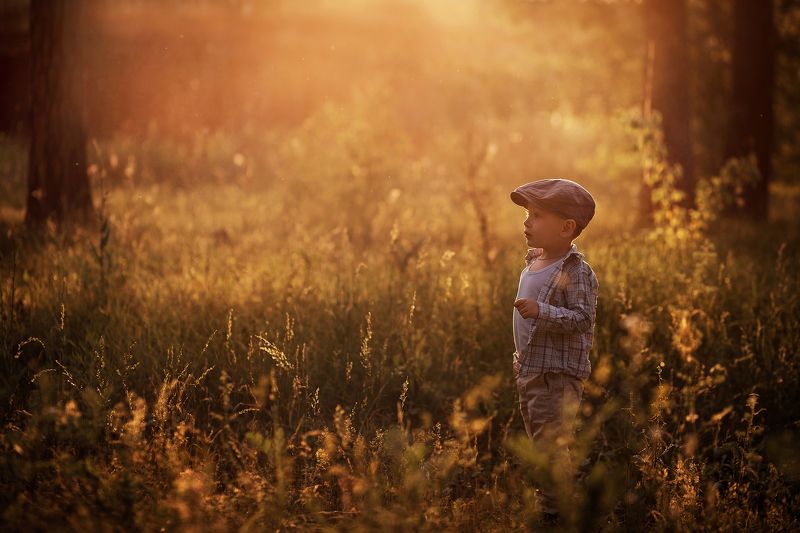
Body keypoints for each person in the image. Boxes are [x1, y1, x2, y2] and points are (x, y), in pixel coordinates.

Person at [509, 178, 599, 526]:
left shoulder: (576, 272)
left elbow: (582, 318)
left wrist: (541, 311)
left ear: (566, 228)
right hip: (531, 370)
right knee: (540, 443)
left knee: (551, 444)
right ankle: (551, 502)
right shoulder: (536, 261)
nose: (527, 222)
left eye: (536, 216)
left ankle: (557, 511)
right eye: (527, 215)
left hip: (556, 376)